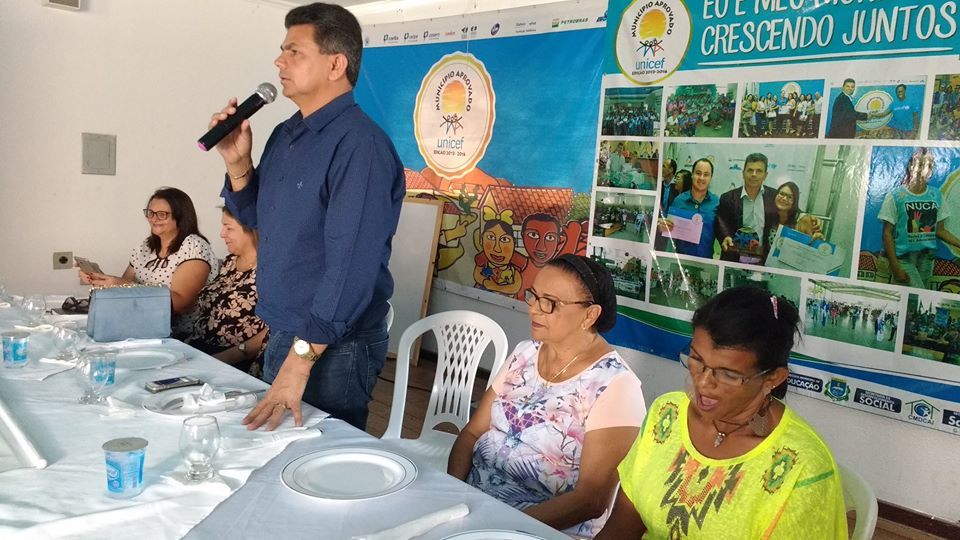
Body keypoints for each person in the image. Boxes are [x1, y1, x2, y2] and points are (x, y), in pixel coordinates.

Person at [208, 2, 405, 430]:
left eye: (294, 51)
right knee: (280, 456)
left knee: (323, 462)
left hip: (331, 345)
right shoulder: (286, 134)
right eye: (282, 50)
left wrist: (300, 363)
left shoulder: (360, 147)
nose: (279, 61)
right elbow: (255, 217)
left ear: (335, 64)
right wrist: (237, 162)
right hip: (285, 329)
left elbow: (350, 266)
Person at [597, 287, 848, 539]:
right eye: (696, 359)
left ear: (772, 378)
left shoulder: (802, 469)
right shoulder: (667, 414)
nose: (704, 383)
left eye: (728, 374)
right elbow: (625, 520)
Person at [448, 255, 646, 537]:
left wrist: (502, 526)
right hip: (473, 508)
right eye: (533, 296)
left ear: (590, 315)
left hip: (538, 528)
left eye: (549, 303)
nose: (533, 310)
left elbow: (591, 499)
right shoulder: (524, 353)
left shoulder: (615, 385)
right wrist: (452, 491)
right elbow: (471, 434)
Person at [79, 187, 217, 338]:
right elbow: (125, 289)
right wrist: (102, 279)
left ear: (181, 216)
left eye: (162, 215)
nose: (153, 219)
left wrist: (119, 284)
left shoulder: (193, 246)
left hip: (182, 336)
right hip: (145, 329)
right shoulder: (145, 247)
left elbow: (181, 304)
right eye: (150, 213)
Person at [185, 208, 268, 377]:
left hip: (235, 361)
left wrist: (224, 358)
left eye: (229, 228)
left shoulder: (270, 269)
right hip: (199, 350)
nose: (222, 234)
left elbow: (272, 331)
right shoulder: (230, 262)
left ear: (251, 229)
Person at [879, 147, 960, 288]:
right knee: (914, 296)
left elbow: (940, 231)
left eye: (929, 165)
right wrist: (895, 265)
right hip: (903, 259)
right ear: (911, 166)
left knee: (918, 302)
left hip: (927, 259)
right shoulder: (895, 195)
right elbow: (887, 233)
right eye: (920, 164)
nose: (924, 169)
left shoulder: (936, 195)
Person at [716, 153, 779, 264]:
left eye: (759, 171)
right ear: (743, 173)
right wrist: (725, 236)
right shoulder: (727, 198)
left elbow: (791, 213)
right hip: (734, 259)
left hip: (763, 261)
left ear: (765, 175)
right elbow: (721, 224)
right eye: (750, 170)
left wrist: (808, 220)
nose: (753, 174)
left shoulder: (774, 197)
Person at [658, 158, 719, 258]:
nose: (701, 178)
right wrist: (661, 226)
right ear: (692, 175)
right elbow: (668, 229)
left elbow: (721, 231)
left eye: (706, 174)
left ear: (711, 178)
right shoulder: (679, 200)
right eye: (698, 173)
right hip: (681, 261)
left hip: (706, 262)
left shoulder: (717, 203)